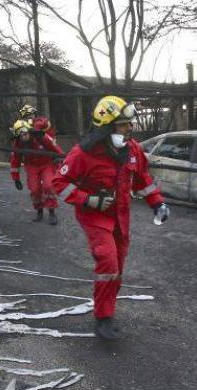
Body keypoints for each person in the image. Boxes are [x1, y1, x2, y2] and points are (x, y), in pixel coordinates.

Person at [52, 95, 170, 340]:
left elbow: (143, 180)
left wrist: (157, 202)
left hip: (121, 216)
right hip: (94, 217)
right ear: (106, 127)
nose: (130, 129)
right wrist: (89, 199)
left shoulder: (132, 149)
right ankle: (103, 318)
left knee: (117, 269)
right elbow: (59, 182)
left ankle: (108, 311)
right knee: (108, 262)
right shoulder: (82, 154)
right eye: (123, 124)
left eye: (129, 123)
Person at [10, 120, 64, 225]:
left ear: (29, 131)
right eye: (20, 135)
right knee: (34, 189)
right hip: (31, 165)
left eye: (25, 133)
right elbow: (15, 161)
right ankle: (39, 210)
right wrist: (16, 178)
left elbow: (55, 148)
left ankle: (52, 212)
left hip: (46, 163)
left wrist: (61, 158)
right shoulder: (18, 144)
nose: (23, 136)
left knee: (48, 186)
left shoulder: (41, 137)